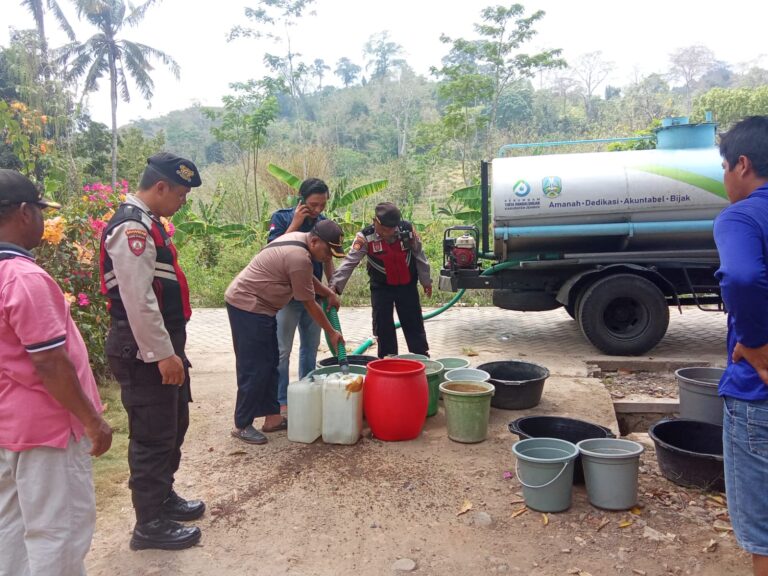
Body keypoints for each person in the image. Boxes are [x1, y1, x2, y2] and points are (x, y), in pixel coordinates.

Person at [0, 169, 113, 575]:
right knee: (58, 533)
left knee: (12, 527)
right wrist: (92, 420)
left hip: (10, 426)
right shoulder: (24, 277)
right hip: (49, 427)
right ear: (25, 213)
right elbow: (49, 361)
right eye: (42, 212)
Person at [100, 152, 204, 551]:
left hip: (160, 341)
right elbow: (138, 299)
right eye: (180, 194)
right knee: (152, 435)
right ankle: (149, 524)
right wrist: (162, 354)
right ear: (161, 187)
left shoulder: (149, 223)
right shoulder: (131, 227)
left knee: (173, 423)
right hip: (142, 347)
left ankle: (163, 498)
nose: (182, 202)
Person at [225, 219, 345, 445]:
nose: (329, 257)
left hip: (262, 308)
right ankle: (242, 424)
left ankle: (272, 418)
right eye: (328, 251)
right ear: (316, 240)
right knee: (254, 366)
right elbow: (309, 303)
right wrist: (331, 332)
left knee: (270, 362)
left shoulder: (302, 243)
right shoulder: (298, 256)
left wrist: (328, 292)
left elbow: (307, 278)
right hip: (247, 306)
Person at [713, 115, 768, 576]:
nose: (725, 179)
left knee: (765, 536)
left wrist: (754, 343)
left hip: (759, 393)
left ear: (743, 165)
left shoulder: (743, 216)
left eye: (725, 168)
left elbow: (743, 276)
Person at [330, 201, 432, 358]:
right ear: (375, 221)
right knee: (383, 326)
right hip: (381, 287)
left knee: (414, 323)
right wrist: (334, 288)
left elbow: (419, 253)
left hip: (407, 286)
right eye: (384, 229)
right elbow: (349, 262)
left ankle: (422, 359)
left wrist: (426, 281)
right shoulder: (365, 237)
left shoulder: (407, 229)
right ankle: (387, 361)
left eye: (392, 229)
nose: (388, 233)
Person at [268, 178, 333, 417]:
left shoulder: (324, 224)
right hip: (287, 297)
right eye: (313, 204)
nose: (317, 210)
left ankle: (307, 391)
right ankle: (282, 399)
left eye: (322, 205)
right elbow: (273, 251)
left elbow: (328, 258)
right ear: (301, 201)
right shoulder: (282, 218)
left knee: (310, 347)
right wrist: (296, 223)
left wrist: (332, 286)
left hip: (313, 294)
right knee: (282, 350)